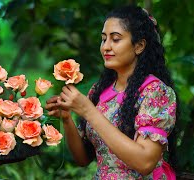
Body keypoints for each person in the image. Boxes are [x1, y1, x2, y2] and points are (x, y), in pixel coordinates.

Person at [46, 5, 177, 180]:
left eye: (115, 39)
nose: (106, 47)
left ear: (139, 46)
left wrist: (88, 111)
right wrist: (67, 118)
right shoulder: (99, 90)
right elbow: (83, 159)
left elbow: (145, 163)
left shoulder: (156, 92)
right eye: (103, 39)